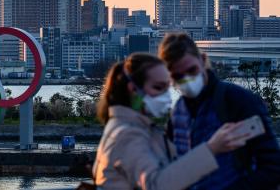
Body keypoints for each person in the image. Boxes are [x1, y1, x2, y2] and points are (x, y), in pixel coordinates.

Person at [93, 53, 248, 190]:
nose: (166, 96)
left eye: (167, 88)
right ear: (134, 90)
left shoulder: (132, 128)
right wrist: (211, 149)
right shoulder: (128, 135)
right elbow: (155, 184)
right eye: (158, 87)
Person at [159, 33, 280, 190]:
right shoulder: (177, 113)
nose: (187, 79)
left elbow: (272, 166)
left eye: (192, 70)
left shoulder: (237, 101)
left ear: (203, 61)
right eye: (178, 76)